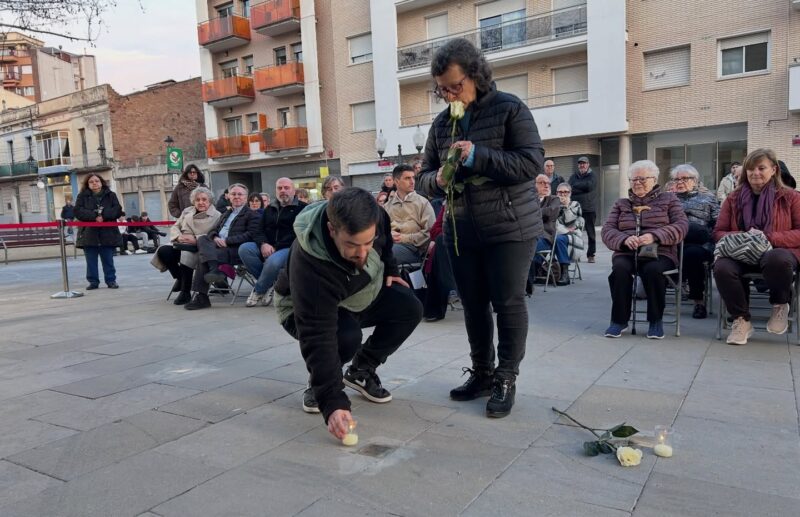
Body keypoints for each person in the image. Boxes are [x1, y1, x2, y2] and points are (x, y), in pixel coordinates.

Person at [416, 38, 544, 418]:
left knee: (507, 302)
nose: (450, 94)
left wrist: (479, 155)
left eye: (456, 86)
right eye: (443, 89)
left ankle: (506, 377)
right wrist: (436, 180)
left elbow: (531, 162)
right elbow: (422, 175)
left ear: (476, 75)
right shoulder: (442, 124)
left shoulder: (509, 108)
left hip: (510, 224)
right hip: (460, 227)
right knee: (472, 305)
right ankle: (483, 373)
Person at [273, 188, 422, 437]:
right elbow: (317, 335)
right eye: (352, 245)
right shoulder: (310, 265)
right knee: (345, 337)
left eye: (368, 242)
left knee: (409, 307)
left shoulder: (376, 217)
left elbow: (385, 247)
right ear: (332, 230)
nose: (363, 253)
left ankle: (361, 370)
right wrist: (332, 401)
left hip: (359, 291)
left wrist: (391, 271)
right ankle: (319, 384)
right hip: (303, 308)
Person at [713, 148, 800, 345]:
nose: (755, 173)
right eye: (751, 169)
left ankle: (780, 304)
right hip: (741, 252)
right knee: (722, 267)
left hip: (778, 252)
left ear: (774, 170)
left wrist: (768, 237)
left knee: (776, 258)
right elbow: (718, 232)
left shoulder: (791, 197)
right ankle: (741, 319)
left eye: (761, 168)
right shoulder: (733, 199)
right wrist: (745, 237)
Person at [601, 160, 688, 339]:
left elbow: (682, 225)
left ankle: (655, 320)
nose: (637, 183)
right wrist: (625, 239)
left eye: (642, 179)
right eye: (633, 179)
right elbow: (608, 230)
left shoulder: (670, 199)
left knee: (653, 270)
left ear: (654, 179)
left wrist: (654, 236)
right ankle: (618, 320)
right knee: (619, 269)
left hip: (660, 252)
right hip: (627, 251)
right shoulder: (621, 204)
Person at [184, 183, 261, 310]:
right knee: (203, 238)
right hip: (217, 247)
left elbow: (251, 235)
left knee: (202, 258)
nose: (236, 197)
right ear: (229, 197)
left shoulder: (253, 214)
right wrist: (215, 237)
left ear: (246, 198)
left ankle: (202, 297)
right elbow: (213, 230)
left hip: (235, 249)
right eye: (233, 194)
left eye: (240, 194)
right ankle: (214, 268)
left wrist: (227, 241)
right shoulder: (226, 213)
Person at [239, 177, 308, 307]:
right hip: (267, 246)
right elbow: (258, 231)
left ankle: (259, 289)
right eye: (279, 188)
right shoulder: (269, 208)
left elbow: (298, 234)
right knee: (244, 249)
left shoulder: (303, 209)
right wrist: (263, 244)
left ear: (293, 190)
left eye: (286, 188)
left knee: (273, 261)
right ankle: (269, 284)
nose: (283, 191)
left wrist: (275, 247)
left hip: (289, 248)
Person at [154, 187, 221, 305]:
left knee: (186, 255)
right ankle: (180, 278)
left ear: (209, 201)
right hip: (182, 243)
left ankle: (185, 292)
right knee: (164, 251)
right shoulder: (187, 211)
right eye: (197, 200)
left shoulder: (217, 215)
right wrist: (178, 237)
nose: (201, 202)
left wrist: (196, 239)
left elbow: (215, 234)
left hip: (200, 248)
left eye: (204, 199)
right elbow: (175, 226)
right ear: (193, 201)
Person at [671, 164, 719, 319]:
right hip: (674, 241)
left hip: (700, 243)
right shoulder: (668, 199)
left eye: (684, 178)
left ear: (695, 180)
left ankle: (698, 302)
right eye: (676, 179)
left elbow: (718, 223)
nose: (679, 182)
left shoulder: (709, 198)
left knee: (692, 254)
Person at [74, 174, 123, 290]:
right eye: (91, 181)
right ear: (87, 184)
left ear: (101, 182)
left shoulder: (111, 195)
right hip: (89, 233)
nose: (94, 183)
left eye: (97, 181)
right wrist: (94, 216)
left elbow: (117, 210)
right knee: (91, 261)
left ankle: (111, 280)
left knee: (108, 259)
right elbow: (78, 211)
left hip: (107, 233)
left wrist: (104, 216)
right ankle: (93, 282)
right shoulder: (82, 196)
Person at [384, 164, 436, 265]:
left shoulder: (423, 203)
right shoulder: (387, 206)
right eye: (407, 178)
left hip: (416, 250)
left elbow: (429, 233)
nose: (412, 182)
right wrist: (388, 236)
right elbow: (380, 232)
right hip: (391, 246)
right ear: (396, 181)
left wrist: (403, 238)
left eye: (413, 178)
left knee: (387, 255)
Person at [530, 174, 568, 287]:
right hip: (529, 235)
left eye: (548, 183)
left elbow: (551, 213)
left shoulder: (554, 199)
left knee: (531, 247)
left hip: (545, 237)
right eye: (542, 183)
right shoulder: (530, 199)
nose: (546, 185)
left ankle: (527, 281)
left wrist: (532, 213)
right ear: (535, 185)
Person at [423, 203, 458, 322]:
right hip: (448, 244)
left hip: (469, 242)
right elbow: (434, 229)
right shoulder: (448, 203)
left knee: (440, 243)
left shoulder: (420, 202)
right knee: (440, 242)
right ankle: (451, 290)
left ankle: (448, 291)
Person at [569, 156, 598, 262]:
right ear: (578, 165)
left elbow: (589, 187)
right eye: (580, 163)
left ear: (588, 164)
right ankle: (576, 255)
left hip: (589, 209)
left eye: (584, 163)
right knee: (575, 233)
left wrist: (576, 187)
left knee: (591, 234)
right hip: (575, 209)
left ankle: (591, 255)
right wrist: (581, 187)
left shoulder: (592, 176)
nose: (582, 165)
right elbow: (569, 188)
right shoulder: (573, 176)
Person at [555, 183, 585, 285]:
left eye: (566, 192)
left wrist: (567, 206)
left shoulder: (575, 204)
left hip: (572, 236)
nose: (563, 194)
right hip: (555, 233)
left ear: (570, 193)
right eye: (560, 192)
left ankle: (565, 272)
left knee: (559, 239)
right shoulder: (553, 204)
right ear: (556, 193)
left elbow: (569, 223)